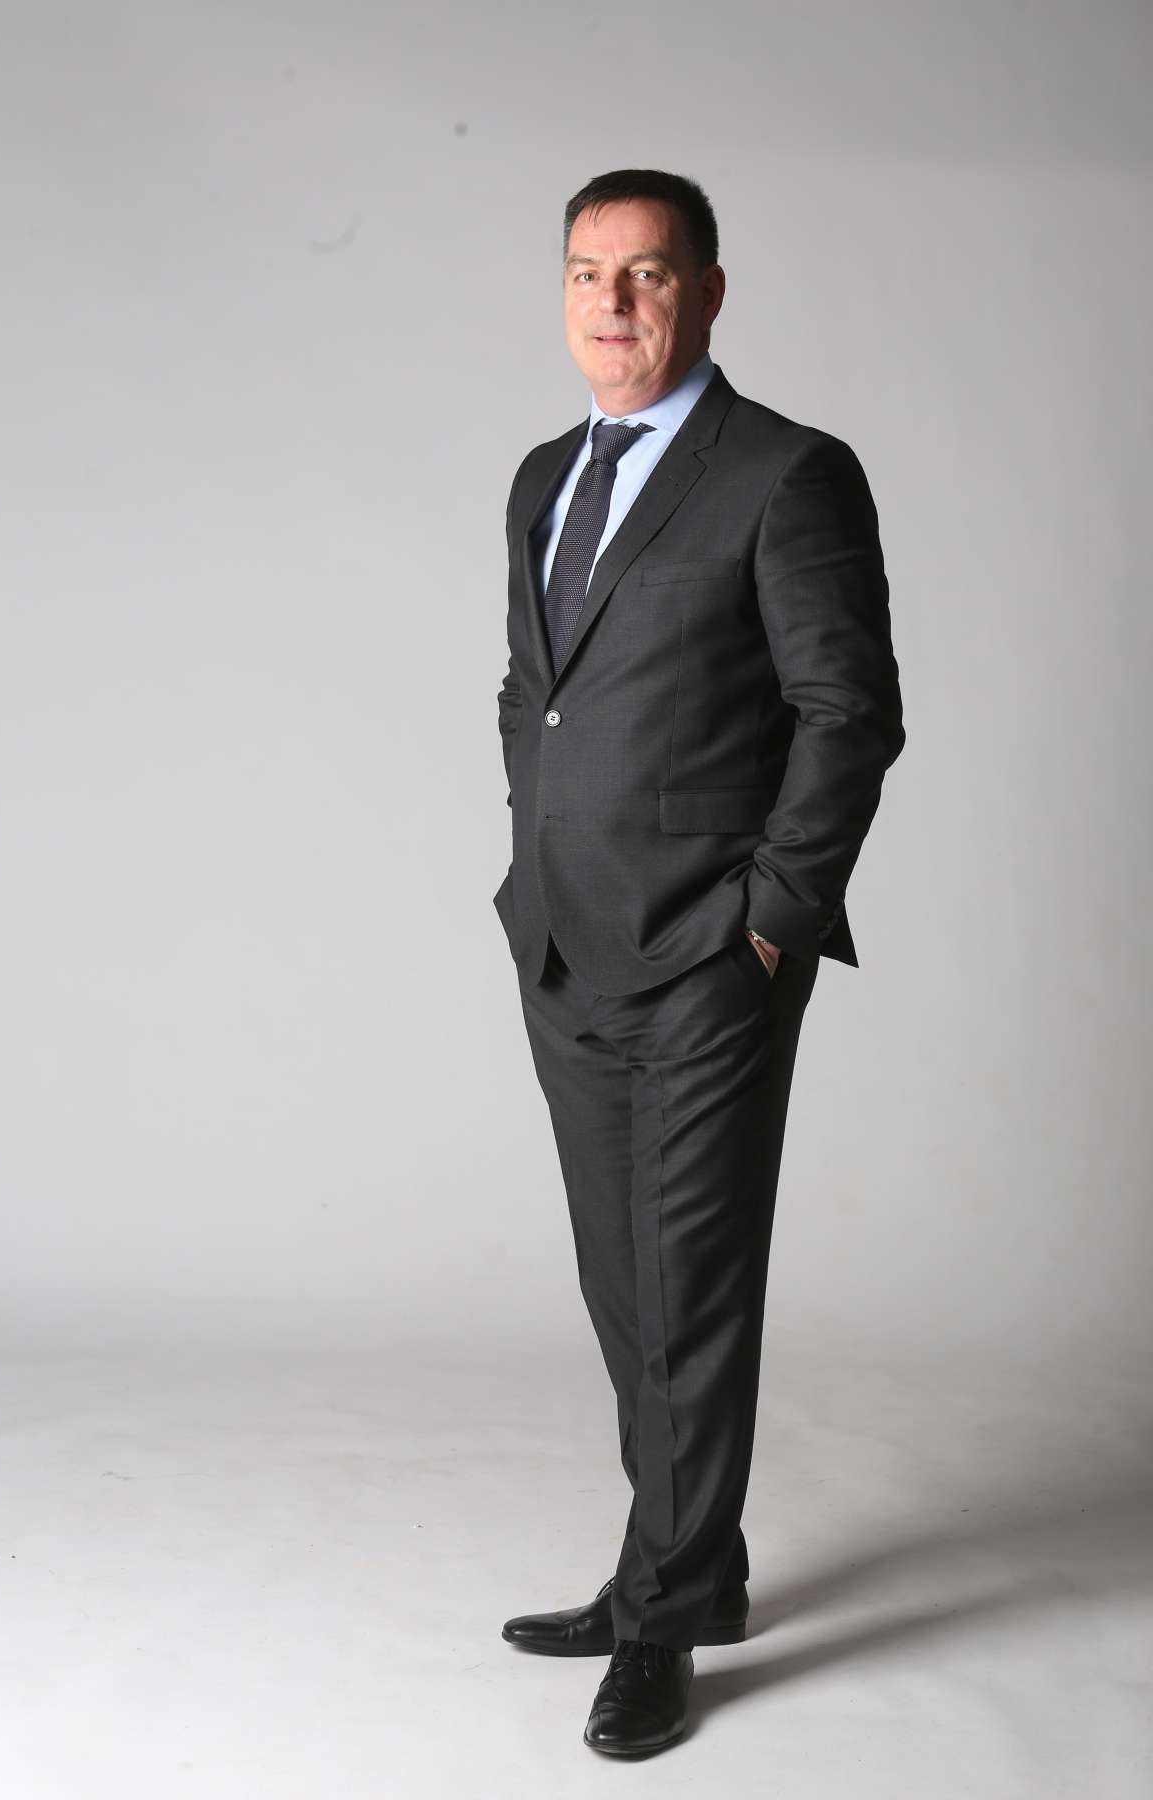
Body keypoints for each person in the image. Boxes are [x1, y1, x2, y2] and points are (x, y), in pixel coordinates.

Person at [490, 167, 905, 1757]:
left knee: (689, 1297)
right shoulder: (545, 475)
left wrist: (771, 920)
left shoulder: (787, 473)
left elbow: (849, 711)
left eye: (648, 274)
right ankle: (694, 1568)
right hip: (562, 944)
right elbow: (534, 688)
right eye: (586, 273)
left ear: (708, 293)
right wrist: (530, 860)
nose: (612, 303)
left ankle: (661, 1621)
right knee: (627, 1287)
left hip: (708, 959)